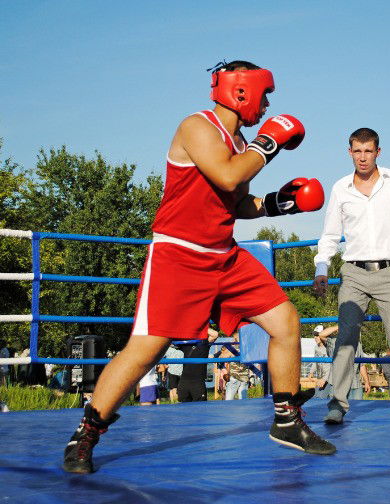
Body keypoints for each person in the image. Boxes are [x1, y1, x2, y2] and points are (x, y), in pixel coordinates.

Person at [62, 59, 336, 475]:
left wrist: (280, 202)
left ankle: (286, 420)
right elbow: (226, 177)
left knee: (286, 321)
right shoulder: (198, 127)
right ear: (241, 90)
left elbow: (237, 202)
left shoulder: (243, 142)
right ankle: (87, 432)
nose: (266, 106)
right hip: (179, 256)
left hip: (224, 255)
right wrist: (269, 142)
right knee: (145, 352)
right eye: (264, 95)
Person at [313, 127, 390, 425]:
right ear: (349, 152)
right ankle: (338, 404)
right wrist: (321, 267)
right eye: (357, 151)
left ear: (378, 152)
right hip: (352, 272)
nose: (363, 157)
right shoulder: (341, 187)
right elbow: (330, 232)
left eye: (368, 151)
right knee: (345, 338)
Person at [317, 325, 370, 401]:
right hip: (338, 384)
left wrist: (367, 381)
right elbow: (321, 334)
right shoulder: (333, 342)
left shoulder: (357, 344)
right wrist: (341, 324)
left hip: (354, 384)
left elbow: (361, 365)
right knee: (337, 410)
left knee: (357, 410)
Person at [177, 327, 219, 402]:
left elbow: (215, 334)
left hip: (198, 382)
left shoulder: (204, 343)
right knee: (183, 410)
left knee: (200, 409)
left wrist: (196, 325)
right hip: (184, 381)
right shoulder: (185, 342)